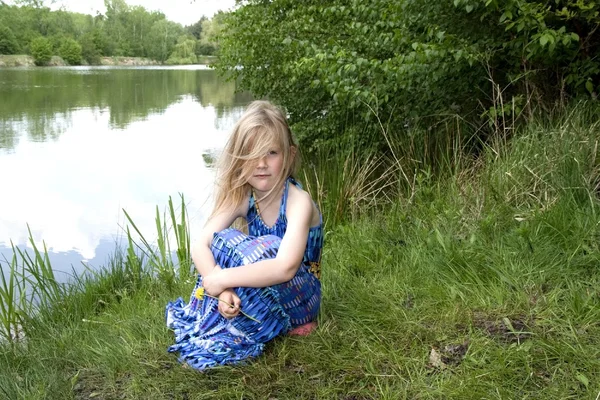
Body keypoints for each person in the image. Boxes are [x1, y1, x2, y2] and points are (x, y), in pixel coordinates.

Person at [165, 100, 323, 371]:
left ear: (290, 154)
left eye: (271, 152)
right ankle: (235, 310)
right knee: (222, 242)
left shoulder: (299, 201)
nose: (261, 164)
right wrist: (222, 288)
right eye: (251, 154)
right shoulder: (244, 196)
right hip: (258, 284)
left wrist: (220, 278)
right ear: (239, 159)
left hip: (301, 296)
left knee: (267, 249)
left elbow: (285, 267)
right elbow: (200, 242)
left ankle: (279, 321)